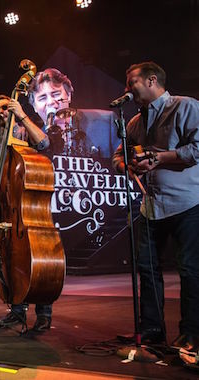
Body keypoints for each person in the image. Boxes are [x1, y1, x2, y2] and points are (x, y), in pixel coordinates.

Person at [112, 61, 199, 350]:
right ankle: (151, 329)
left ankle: (191, 334)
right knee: (147, 269)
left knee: (189, 269)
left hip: (188, 202)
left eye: (131, 83)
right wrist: (127, 165)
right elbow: (117, 156)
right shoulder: (135, 122)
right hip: (151, 205)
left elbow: (198, 148)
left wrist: (160, 158)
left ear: (151, 81)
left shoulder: (185, 106)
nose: (127, 90)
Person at [0, 91, 53, 332]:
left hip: (29, 204)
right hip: (5, 204)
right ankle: (17, 309)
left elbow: (43, 143)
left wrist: (21, 115)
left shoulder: (24, 130)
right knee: (8, 256)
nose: (2, 112)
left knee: (38, 257)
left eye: (5, 107)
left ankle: (43, 312)